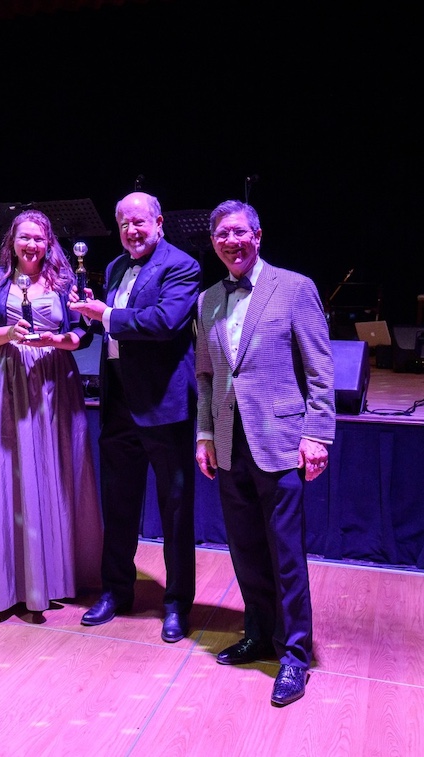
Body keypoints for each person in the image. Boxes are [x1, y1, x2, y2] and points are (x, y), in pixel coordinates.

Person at [195, 199, 334, 707]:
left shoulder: (294, 288)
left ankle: (295, 654)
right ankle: (257, 634)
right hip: (230, 444)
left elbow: (320, 370)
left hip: (280, 440)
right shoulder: (208, 298)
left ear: (258, 234)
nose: (230, 241)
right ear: (213, 243)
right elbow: (207, 376)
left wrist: (316, 435)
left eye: (239, 232)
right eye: (221, 235)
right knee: (246, 550)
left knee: (286, 556)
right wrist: (205, 436)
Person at [0, 209, 102, 616]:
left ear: (49, 243)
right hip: (4, 384)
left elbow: (84, 331)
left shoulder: (65, 280)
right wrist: (7, 334)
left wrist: (61, 339)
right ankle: (2, 580)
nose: (31, 245)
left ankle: (52, 576)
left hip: (52, 385)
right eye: (24, 238)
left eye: (39, 239)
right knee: (3, 475)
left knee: (51, 473)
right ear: (12, 243)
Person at [68, 191, 200, 643]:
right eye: (123, 223)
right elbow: (110, 326)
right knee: (119, 506)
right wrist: (87, 318)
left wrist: (106, 314)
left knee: (175, 512)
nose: (131, 231)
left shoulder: (182, 265)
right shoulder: (115, 267)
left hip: (165, 408)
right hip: (120, 403)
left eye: (139, 222)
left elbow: (164, 322)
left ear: (159, 221)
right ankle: (116, 591)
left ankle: (178, 604)